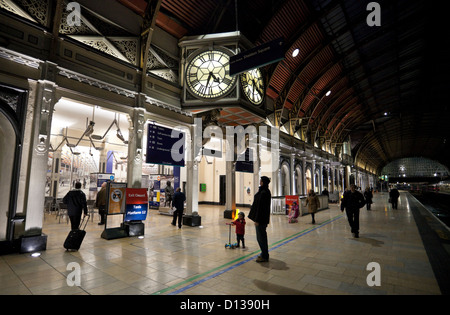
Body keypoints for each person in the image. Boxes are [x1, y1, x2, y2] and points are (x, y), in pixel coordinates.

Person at [248, 176, 272, 263]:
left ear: (263, 182)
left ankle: (265, 256)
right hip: (262, 219)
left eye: (261, 181)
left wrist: (257, 220)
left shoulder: (264, 192)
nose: (259, 182)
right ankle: (263, 253)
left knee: (261, 238)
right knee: (261, 237)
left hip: (261, 220)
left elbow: (261, 208)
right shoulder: (263, 191)